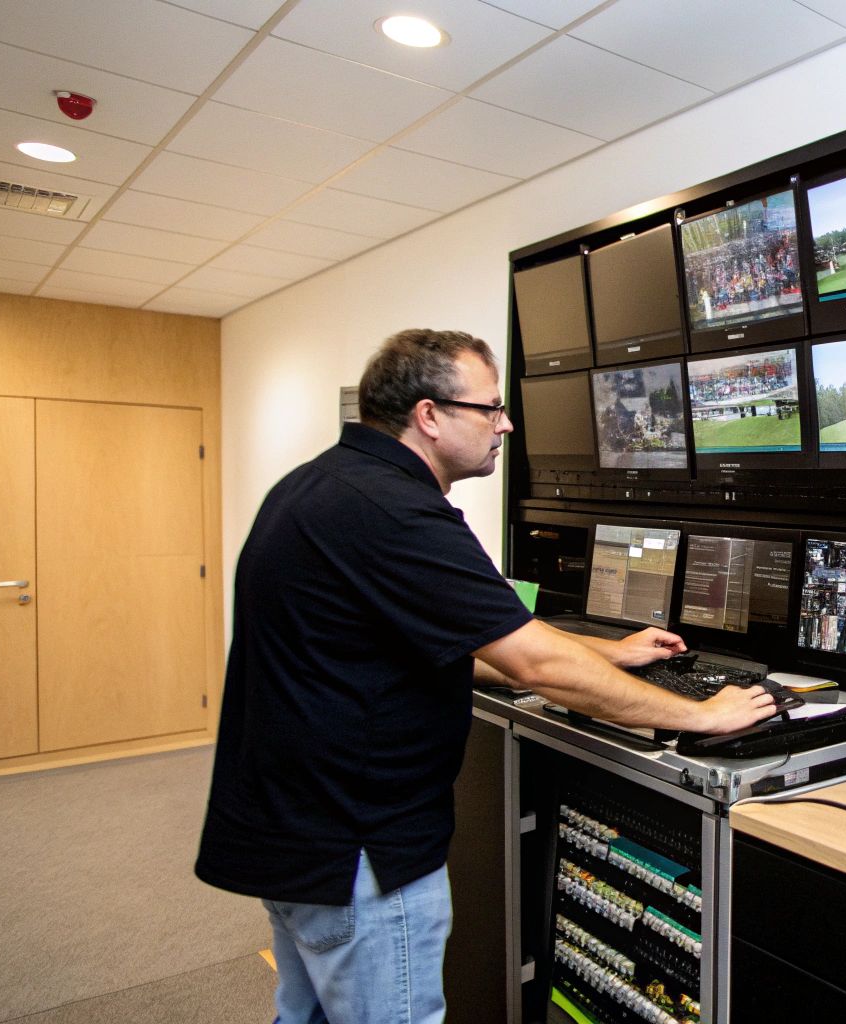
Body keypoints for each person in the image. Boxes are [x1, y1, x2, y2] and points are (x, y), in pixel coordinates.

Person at [195, 329, 775, 1024]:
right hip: (359, 852)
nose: (504, 424)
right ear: (429, 415)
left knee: (309, 1016)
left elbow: (430, 642)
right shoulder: (398, 511)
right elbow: (533, 663)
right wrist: (703, 715)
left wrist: (610, 656)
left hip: (296, 835)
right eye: (490, 407)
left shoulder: (322, 483)